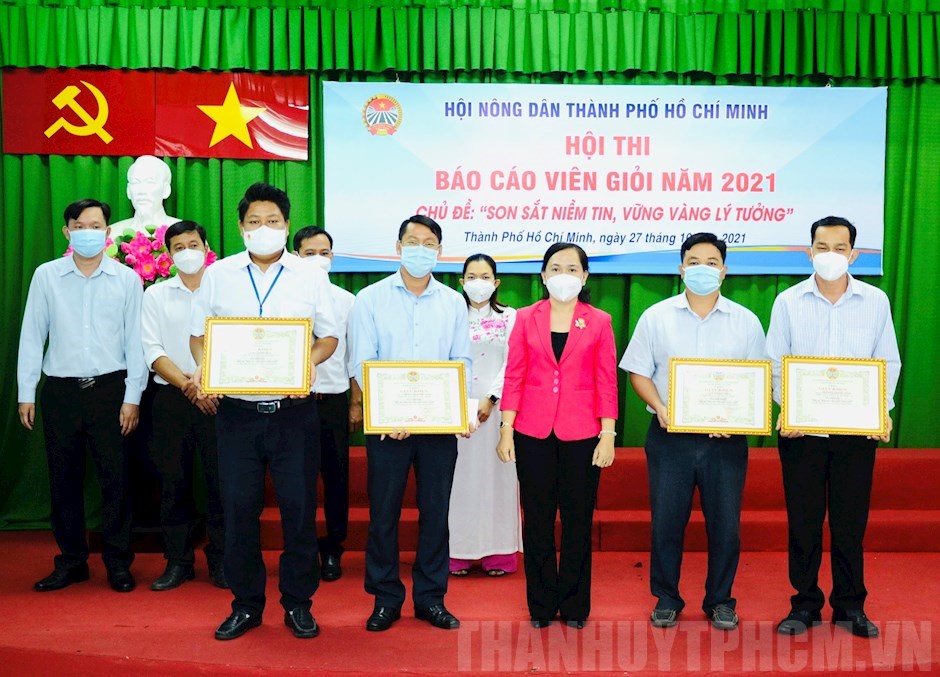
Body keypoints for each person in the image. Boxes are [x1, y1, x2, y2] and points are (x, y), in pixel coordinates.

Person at [190, 183, 339, 641]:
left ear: (287, 225)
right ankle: (246, 605)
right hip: (237, 415)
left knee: (299, 511)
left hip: (293, 415)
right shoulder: (218, 275)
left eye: (272, 221)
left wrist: (308, 362)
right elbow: (198, 336)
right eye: (254, 221)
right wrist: (203, 367)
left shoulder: (310, 276)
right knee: (238, 512)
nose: (263, 228)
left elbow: (328, 337)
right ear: (241, 227)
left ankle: (298, 604)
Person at [619, 232, 766, 631]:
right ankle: (666, 597)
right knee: (667, 522)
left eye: (712, 262)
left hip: (726, 443)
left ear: (725, 270)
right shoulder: (656, 316)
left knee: (726, 526)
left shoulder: (746, 321)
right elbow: (638, 372)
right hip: (670, 437)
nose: (703, 269)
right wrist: (662, 408)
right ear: (681, 268)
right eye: (695, 262)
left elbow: (758, 378)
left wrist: (737, 418)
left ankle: (721, 600)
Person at [767, 216, 900, 639]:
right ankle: (804, 603)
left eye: (839, 248)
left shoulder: (875, 301)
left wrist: (881, 409)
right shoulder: (788, 301)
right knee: (803, 523)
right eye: (822, 247)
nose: (830, 255)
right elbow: (775, 362)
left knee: (849, 524)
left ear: (853, 254)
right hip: (802, 434)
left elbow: (888, 360)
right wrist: (789, 408)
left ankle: (850, 605)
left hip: (855, 435)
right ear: (810, 252)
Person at [347, 214, 472, 632]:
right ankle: (385, 598)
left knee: (436, 513)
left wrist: (456, 410)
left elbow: (461, 360)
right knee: (384, 514)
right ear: (398, 247)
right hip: (388, 428)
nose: (421, 249)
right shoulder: (370, 299)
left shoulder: (453, 302)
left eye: (429, 243)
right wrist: (386, 412)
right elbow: (362, 360)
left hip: (438, 427)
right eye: (413, 242)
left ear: (439, 251)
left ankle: (431, 598)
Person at [17, 198, 148, 593]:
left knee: (117, 479)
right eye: (79, 226)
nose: (87, 232)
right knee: (64, 480)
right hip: (61, 392)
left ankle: (118, 563)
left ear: (107, 233)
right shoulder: (46, 276)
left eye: (95, 226)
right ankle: (72, 561)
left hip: (111, 390)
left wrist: (133, 397)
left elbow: (136, 342)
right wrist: (26, 392)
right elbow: (32, 334)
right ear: (67, 231)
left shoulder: (127, 279)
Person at [497, 242, 618, 630]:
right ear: (543, 274)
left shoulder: (599, 320)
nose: (563, 275)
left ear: (584, 276)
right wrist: (506, 429)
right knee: (537, 520)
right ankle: (541, 605)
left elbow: (607, 380)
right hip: (532, 431)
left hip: (582, 433)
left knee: (578, 520)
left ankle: (575, 605)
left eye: (572, 268)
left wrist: (608, 433)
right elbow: (514, 374)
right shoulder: (525, 317)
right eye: (555, 268)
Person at [141, 220, 226, 591]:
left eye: (193, 244)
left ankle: (222, 560)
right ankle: (178, 560)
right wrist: (190, 386)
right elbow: (152, 349)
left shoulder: (225, 290)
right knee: (173, 481)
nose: (187, 252)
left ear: (206, 247)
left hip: (220, 399)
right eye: (179, 247)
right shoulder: (156, 295)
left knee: (221, 482)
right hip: (172, 398)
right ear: (168, 253)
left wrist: (210, 386)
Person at [449, 254, 522, 578]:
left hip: (499, 411)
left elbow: (514, 361)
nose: (478, 283)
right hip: (455, 410)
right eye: (471, 276)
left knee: (498, 479)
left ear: (496, 282)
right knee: (458, 481)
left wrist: (491, 398)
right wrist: (460, 402)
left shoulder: (510, 317)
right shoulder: (451, 316)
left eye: (485, 276)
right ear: (461, 281)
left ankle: (499, 553)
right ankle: (457, 553)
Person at [293, 225, 355, 582]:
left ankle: (333, 548)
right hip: (293, 402)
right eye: (310, 254)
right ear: (295, 256)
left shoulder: (346, 300)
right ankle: (301, 549)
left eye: (324, 253)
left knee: (336, 477)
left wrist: (355, 403)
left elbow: (354, 356)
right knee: (297, 479)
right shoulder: (284, 297)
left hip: (333, 400)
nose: (318, 259)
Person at [110, 155, 181, 234]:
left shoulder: (182, 233)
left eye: (150, 182)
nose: (141, 191)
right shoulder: (113, 232)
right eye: (136, 182)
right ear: (128, 190)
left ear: (166, 190)